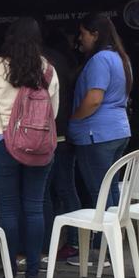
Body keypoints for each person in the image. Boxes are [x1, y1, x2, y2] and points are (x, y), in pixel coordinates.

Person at [0, 17, 59, 278]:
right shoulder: (47, 69)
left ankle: (11, 276)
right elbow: (54, 114)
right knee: (35, 208)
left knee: (9, 211)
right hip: (40, 146)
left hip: (3, 143)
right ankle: (34, 277)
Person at [70, 13, 132, 210]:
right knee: (111, 187)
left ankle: (102, 240)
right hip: (118, 131)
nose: (80, 38)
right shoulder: (120, 57)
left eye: (83, 33)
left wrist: (73, 118)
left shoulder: (99, 59)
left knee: (99, 191)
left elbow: (94, 100)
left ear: (95, 34)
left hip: (96, 135)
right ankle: (116, 237)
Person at [42, 24, 81, 263]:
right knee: (66, 189)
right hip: (65, 133)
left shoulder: (44, 62)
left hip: (50, 135)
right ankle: (73, 241)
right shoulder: (65, 61)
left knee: (47, 192)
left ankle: (49, 244)